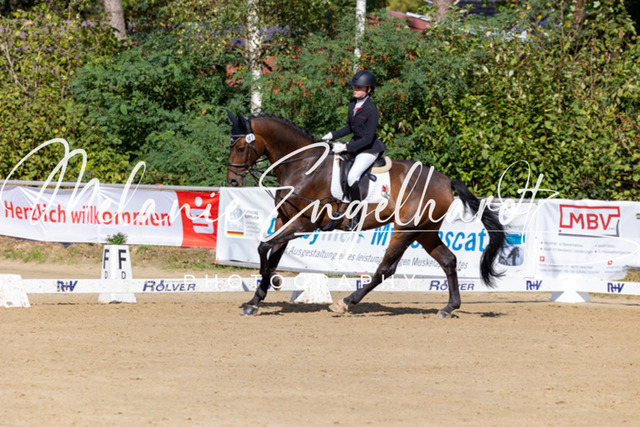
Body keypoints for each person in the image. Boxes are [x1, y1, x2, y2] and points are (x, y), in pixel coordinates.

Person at [322, 70, 386, 231]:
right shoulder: (353, 103)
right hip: (356, 145)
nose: (355, 90)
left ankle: (356, 216)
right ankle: (339, 208)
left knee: (352, 177)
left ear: (369, 90)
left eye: (359, 87)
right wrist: (332, 135)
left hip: (369, 149)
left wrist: (345, 147)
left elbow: (368, 138)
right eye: (354, 87)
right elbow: (349, 127)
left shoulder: (372, 110)